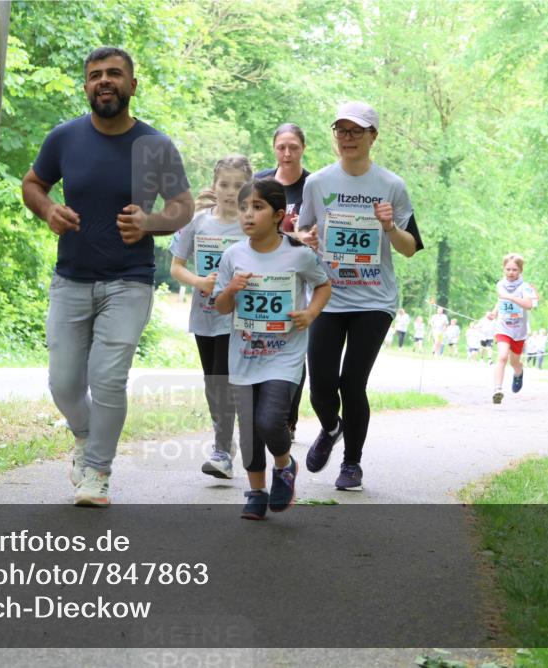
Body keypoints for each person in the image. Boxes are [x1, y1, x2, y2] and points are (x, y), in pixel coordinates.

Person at [21, 47, 193, 506]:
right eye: (95, 75)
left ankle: (97, 471)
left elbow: (183, 207)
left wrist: (151, 222)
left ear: (132, 85)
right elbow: (33, 184)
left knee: (108, 377)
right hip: (71, 278)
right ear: (86, 86)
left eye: (114, 74)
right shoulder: (64, 139)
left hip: (129, 280)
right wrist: (48, 210)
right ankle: (86, 438)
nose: (104, 81)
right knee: (63, 383)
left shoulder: (156, 146)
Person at [297, 101, 423, 492]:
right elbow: (301, 236)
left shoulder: (391, 185)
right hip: (328, 296)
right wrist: (307, 240)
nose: (348, 138)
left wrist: (388, 226)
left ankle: (352, 463)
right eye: (342, 131)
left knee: (352, 382)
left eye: (357, 131)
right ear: (334, 136)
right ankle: (331, 427)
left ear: (373, 136)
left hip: (374, 300)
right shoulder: (317, 183)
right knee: (320, 385)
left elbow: (409, 247)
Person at [213, 178, 330, 519]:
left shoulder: (298, 255)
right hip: (245, 355)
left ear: (279, 215)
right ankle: (255, 491)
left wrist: (310, 312)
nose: (248, 215)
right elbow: (221, 307)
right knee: (248, 427)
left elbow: (323, 286)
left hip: (284, 355)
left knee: (269, 420)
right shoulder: (233, 256)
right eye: (244, 208)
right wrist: (232, 290)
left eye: (258, 207)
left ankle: (284, 463)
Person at [169, 155, 252, 478]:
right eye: (225, 184)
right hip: (204, 315)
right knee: (212, 383)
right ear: (214, 185)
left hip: (237, 318)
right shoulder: (198, 222)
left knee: (223, 381)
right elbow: (177, 267)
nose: (231, 192)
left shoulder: (249, 224)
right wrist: (200, 282)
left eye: (238, 185)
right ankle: (225, 440)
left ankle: (222, 453)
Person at [255, 123, 311, 440]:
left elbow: (320, 232)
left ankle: (287, 421)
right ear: (274, 148)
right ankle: (261, 411)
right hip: (262, 273)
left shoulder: (313, 185)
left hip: (299, 277)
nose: (287, 153)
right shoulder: (260, 182)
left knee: (293, 347)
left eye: (293, 147)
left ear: (303, 148)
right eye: (281, 147)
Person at [492, 253, 538, 404]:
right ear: (504, 269)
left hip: (518, 331)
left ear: (520, 271)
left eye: (514, 270)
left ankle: (518, 373)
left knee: (514, 362)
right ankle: (497, 390)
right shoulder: (500, 284)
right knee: (502, 356)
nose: (511, 272)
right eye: (508, 269)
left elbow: (529, 305)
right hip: (503, 328)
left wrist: (512, 298)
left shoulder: (525, 287)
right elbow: (501, 300)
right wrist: (494, 312)